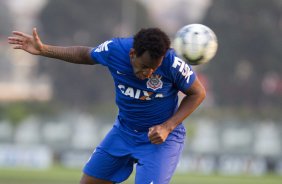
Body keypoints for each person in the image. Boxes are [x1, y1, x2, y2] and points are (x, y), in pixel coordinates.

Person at [8, 27, 206, 184]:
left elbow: (198, 92)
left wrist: (167, 126)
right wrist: (45, 50)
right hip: (124, 132)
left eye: (154, 68)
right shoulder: (115, 50)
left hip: (160, 140)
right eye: (145, 66)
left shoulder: (172, 64)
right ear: (132, 54)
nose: (148, 73)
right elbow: (85, 54)